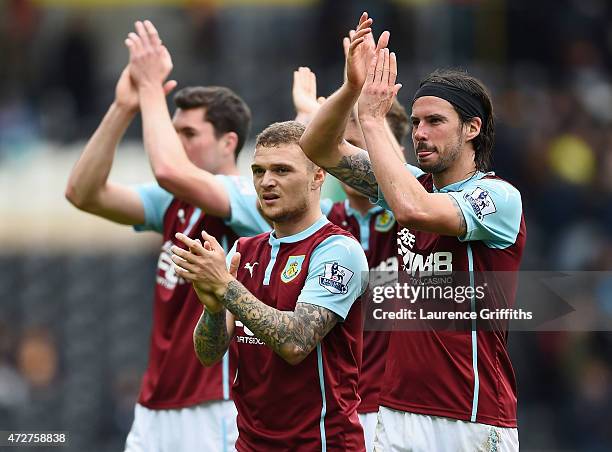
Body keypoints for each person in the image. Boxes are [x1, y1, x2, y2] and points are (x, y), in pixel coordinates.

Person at [300, 12, 525, 451]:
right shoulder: (412, 183)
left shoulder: (498, 198)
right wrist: (351, 90)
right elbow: (318, 148)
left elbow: (412, 208)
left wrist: (371, 120)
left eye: (435, 122)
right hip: (398, 411)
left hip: (471, 416)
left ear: (472, 128)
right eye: (417, 122)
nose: (420, 133)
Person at [65, 20, 268, 452]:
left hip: (215, 402)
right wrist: (125, 105)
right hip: (155, 401)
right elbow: (83, 193)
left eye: (189, 134)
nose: (176, 143)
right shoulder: (173, 203)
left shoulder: (247, 199)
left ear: (228, 142)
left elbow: (168, 169)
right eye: (174, 133)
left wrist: (153, 88)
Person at [171, 120, 370, 451]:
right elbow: (208, 354)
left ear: (318, 176)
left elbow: (295, 342)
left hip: (321, 444)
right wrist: (213, 307)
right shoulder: (245, 250)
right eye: (258, 171)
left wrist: (225, 287)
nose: (267, 182)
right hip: (250, 444)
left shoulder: (337, 250)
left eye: (282, 170)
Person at [292, 64, 410, 452]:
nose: (345, 155)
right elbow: (287, 180)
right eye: (339, 143)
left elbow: (408, 187)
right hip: (334, 411)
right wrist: (308, 118)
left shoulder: (418, 220)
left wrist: (368, 113)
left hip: (403, 410)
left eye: (356, 143)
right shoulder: (324, 224)